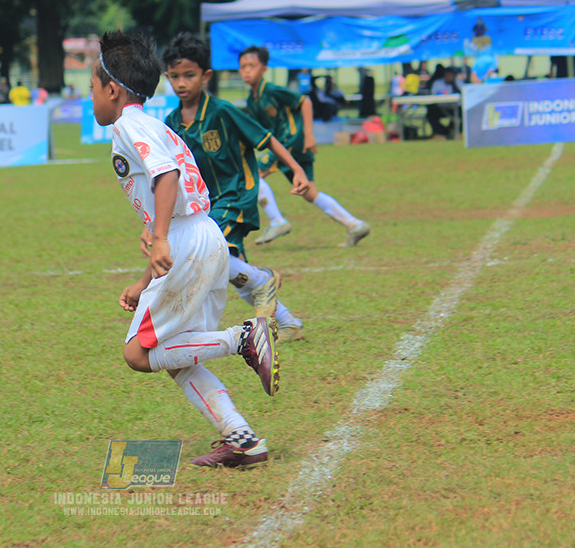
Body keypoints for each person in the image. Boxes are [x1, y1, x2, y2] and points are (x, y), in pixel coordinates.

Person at [93, 30, 279, 468]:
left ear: (113, 90)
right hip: (204, 237)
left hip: (187, 240)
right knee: (177, 354)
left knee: (138, 354)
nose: (93, 98)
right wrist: (144, 281)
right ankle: (243, 439)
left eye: (93, 89)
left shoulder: (128, 126)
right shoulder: (150, 124)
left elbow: (166, 176)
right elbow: (170, 188)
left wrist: (158, 237)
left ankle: (244, 337)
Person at [158, 33, 311, 344]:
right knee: (229, 272)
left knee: (209, 255)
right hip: (207, 205)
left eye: (189, 75)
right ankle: (289, 322)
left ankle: (264, 280)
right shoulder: (172, 122)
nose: (182, 83)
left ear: (206, 76)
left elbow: (265, 139)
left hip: (237, 193)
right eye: (175, 77)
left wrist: (296, 169)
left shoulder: (222, 111)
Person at [239, 46, 371, 247]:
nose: (247, 71)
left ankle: (277, 221)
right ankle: (355, 225)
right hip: (285, 145)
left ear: (264, 68)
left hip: (290, 142)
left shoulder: (272, 90)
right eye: (242, 67)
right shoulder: (253, 98)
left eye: (252, 66)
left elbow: (305, 102)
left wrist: (309, 135)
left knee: (252, 173)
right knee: (309, 192)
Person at [426, 67, 461, 139]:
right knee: (431, 113)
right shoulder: (438, 83)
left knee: (462, 114)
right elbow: (433, 95)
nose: (449, 77)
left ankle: (455, 131)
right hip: (441, 106)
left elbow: (462, 93)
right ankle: (443, 132)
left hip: (456, 106)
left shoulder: (458, 82)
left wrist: (454, 83)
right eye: (447, 75)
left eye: (451, 75)